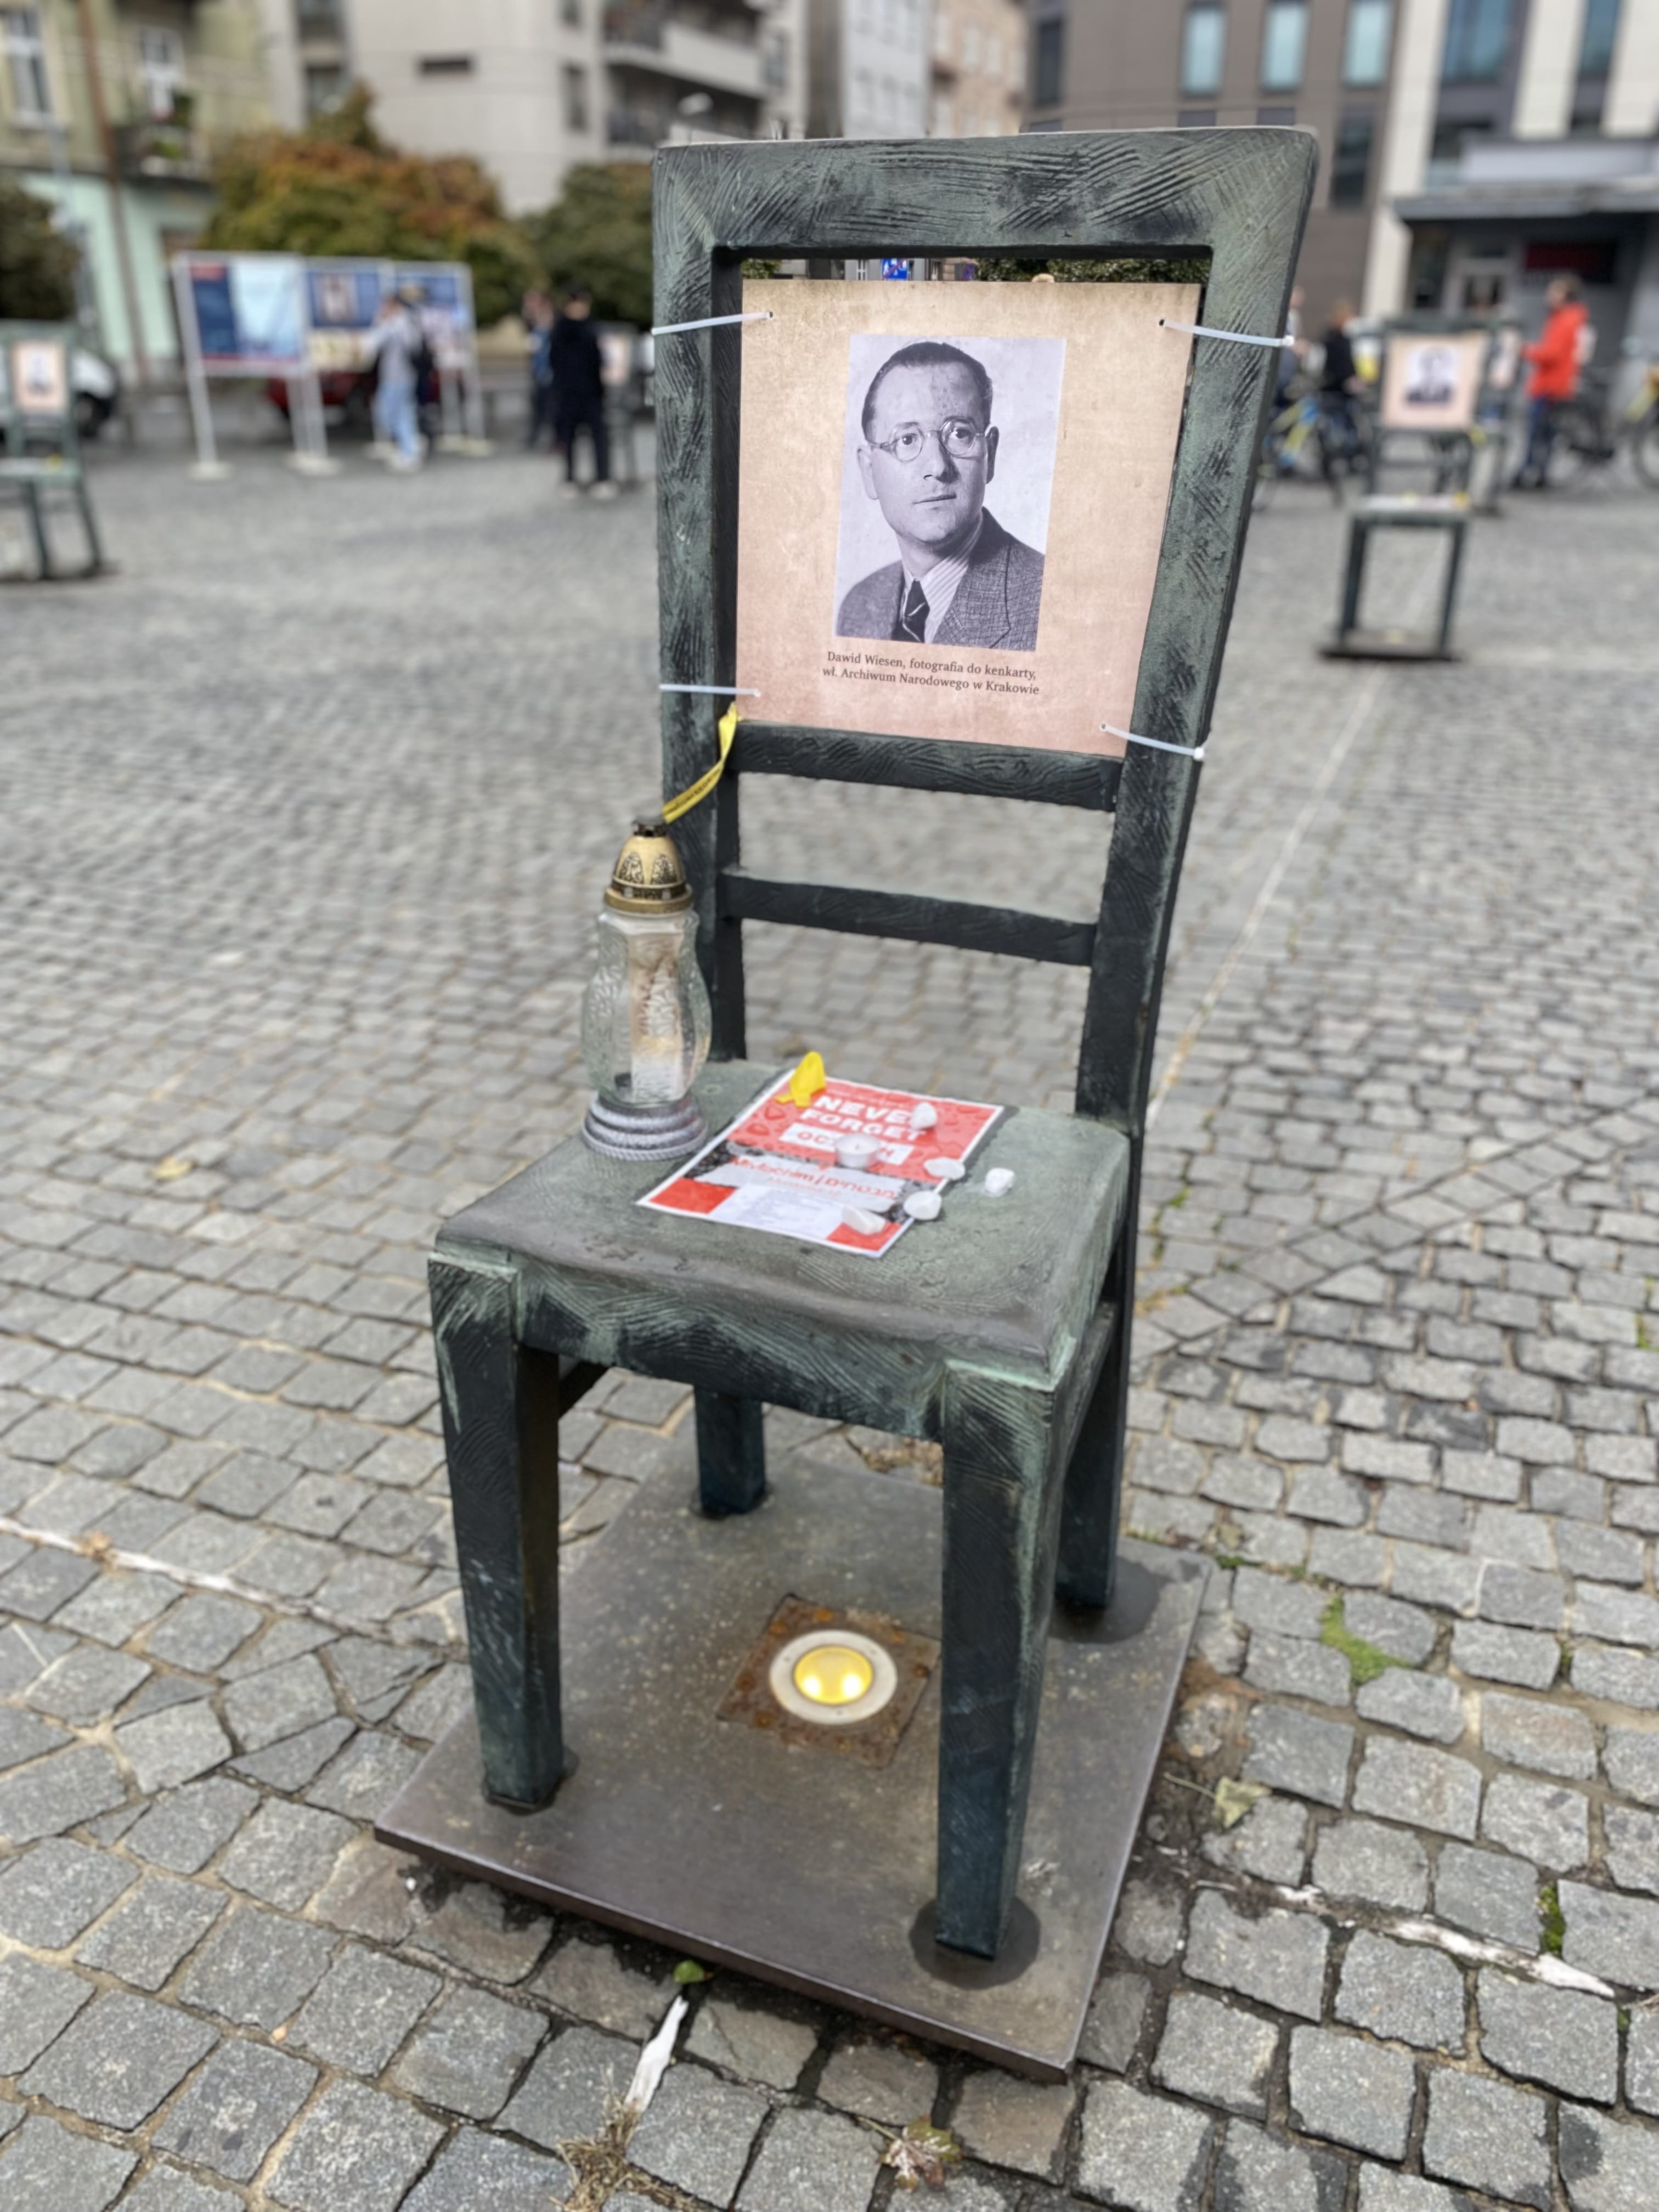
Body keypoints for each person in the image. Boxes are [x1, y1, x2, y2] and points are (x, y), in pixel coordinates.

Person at [836, 340, 1045, 652]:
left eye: (959, 434)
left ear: (990, 454)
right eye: (907, 440)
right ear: (869, 471)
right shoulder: (858, 606)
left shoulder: (1045, 603)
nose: (937, 466)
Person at [1515, 274, 1589, 488]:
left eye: (1555, 291)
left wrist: (1525, 350)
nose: (1549, 295)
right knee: (1547, 432)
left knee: (1537, 432)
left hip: (1550, 385)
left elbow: (1552, 354)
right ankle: (1540, 473)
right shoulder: (1570, 318)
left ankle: (1527, 473)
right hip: (1558, 385)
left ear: (1566, 295)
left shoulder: (1565, 319)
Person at [548, 287, 616, 500]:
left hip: (591, 392)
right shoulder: (561, 330)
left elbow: (598, 360)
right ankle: (570, 478)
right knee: (568, 438)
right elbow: (555, 361)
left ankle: (603, 478)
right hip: (568, 393)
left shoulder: (590, 328)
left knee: (599, 436)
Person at [364, 291, 424, 472]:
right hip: (406, 376)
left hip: (395, 377)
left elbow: (372, 344)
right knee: (404, 413)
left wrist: (380, 322)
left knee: (392, 414)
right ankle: (411, 446)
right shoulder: (410, 322)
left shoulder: (394, 325)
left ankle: (409, 451)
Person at [1317, 300, 1363, 475]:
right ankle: (1344, 461)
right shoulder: (1338, 340)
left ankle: (1335, 461)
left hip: (1333, 390)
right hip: (1339, 391)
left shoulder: (1332, 338)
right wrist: (1352, 379)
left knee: (1337, 428)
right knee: (1343, 430)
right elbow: (1343, 365)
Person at [522, 290, 556, 451]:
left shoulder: (551, 331)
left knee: (550, 408)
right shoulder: (535, 329)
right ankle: (535, 436)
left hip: (549, 374)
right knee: (539, 406)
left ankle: (555, 439)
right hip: (539, 373)